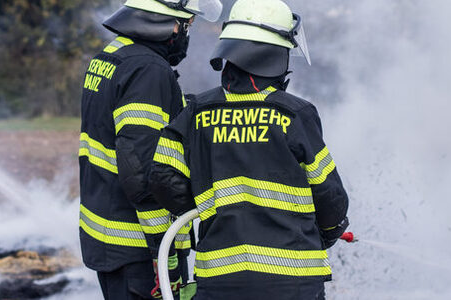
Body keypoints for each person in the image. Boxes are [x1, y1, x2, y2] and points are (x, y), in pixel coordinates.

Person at [148, 0, 350, 299]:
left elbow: (162, 176)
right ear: (274, 55)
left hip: (219, 281)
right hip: (292, 282)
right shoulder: (295, 114)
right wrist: (331, 231)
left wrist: (210, 209)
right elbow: (329, 197)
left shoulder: (195, 113)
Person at [77, 0, 222, 299]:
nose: (185, 33)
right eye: (186, 24)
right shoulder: (149, 70)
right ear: (169, 23)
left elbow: (131, 125)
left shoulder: (112, 55)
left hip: (107, 236)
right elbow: (141, 169)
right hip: (139, 248)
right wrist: (163, 251)